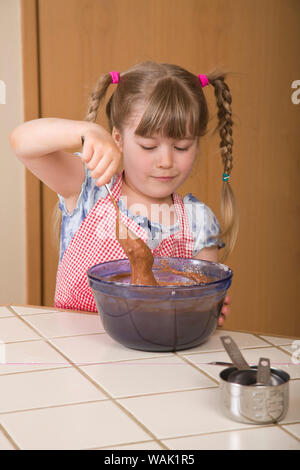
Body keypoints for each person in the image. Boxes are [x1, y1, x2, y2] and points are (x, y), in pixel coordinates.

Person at [10, 61, 238, 325]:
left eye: (182, 146)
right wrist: (86, 131)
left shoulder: (199, 222)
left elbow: (198, 308)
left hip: (152, 354)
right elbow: (22, 142)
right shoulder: (90, 187)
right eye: (149, 146)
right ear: (118, 139)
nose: (165, 161)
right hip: (74, 352)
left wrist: (204, 310)